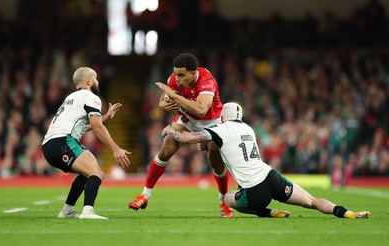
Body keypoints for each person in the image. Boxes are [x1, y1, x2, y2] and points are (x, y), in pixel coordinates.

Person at [161, 101, 371, 219]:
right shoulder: (249, 128)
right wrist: (207, 142)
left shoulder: (219, 129)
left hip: (254, 190)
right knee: (311, 201)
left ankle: (269, 213)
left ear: (223, 115)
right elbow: (230, 145)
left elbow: (187, 138)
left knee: (226, 199)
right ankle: (346, 213)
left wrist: (171, 129)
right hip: (271, 177)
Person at [128, 53, 233, 217]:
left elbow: (201, 109)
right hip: (187, 118)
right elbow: (163, 99)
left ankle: (223, 202)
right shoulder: (175, 78)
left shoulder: (207, 81)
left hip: (212, 122)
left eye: (181, 75)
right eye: (176, 74)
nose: (177, 79)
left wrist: (175, 96)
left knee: (215, 161)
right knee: (165, 149)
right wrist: (164, 104)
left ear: (193, 72)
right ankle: (144, 195)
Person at [42, 67, 132, 220]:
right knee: (96, 173)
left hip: (49, 145)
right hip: (63, 141)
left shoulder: (71, 97)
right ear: (89, 81)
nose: (97, 82)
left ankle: (67, 211)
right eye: (95, 79)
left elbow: (85, 126)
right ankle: (87, 212)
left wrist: (106, 117)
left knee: (86, 173)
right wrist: (115, 149)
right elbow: (96, 126)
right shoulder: (91, 97)